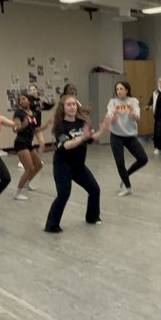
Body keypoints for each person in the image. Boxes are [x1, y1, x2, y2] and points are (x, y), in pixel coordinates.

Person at [44, 94, 111, 233]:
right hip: (63, 165)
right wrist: (82, 138)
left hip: (78, 166)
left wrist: (103, 128)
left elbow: (92, 138)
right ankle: (51, 225)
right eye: (68, 104)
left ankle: (92, 217)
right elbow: (67, 145)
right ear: (62, 108)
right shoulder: (60, 126)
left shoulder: (82, 123)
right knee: (63, 194)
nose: (72, 107)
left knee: (94, 189)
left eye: (74, 104)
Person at [107, 81, 148, 196]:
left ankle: (126, 174)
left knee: (143, 159)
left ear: (127, 90)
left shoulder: (133, 101)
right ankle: (128, 187)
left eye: (121, 89)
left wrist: (133, 115)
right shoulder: (113, 102)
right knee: (120, 162)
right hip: (116, 136)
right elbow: (109, 114)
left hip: (130, 136)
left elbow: (137, 115)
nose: (119, 91)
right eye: (117, 89)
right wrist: (112, 119)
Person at [11, 93, 46, 200]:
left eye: (23, 99)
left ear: (29, 101)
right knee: (29, 168)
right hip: (20, 142)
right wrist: (24, 125)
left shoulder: (33, 113)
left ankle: (26, 184)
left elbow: (35, 130)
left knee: (38, 165)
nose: (21, 101)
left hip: (28, 143)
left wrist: (46, 126)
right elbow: (15, 129)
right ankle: (17, 193)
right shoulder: (18, 113)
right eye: (20, 99)